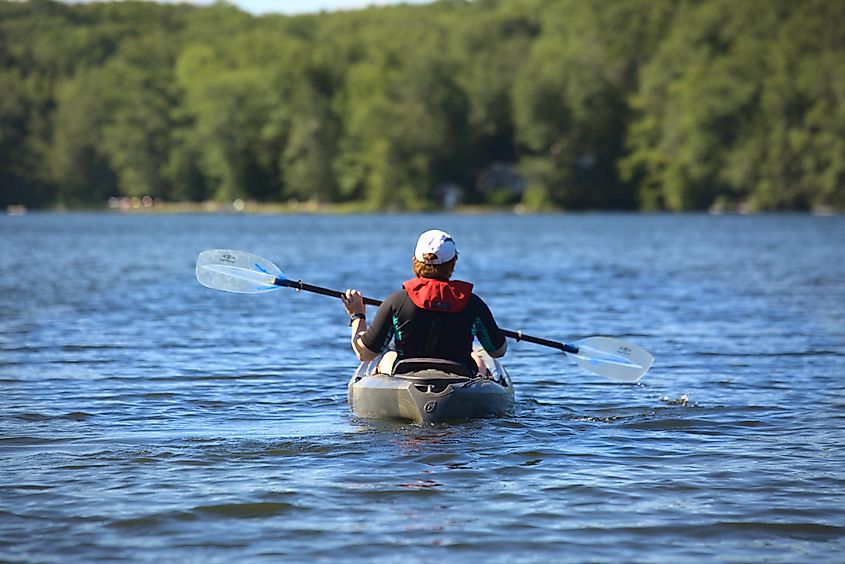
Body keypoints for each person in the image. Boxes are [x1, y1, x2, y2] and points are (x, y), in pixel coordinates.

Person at [342, 229, 507, 375]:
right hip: (459, 373)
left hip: (406, 373)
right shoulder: (472, 303)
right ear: (454, 262)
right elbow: (498, 350)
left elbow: (364, 353)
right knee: (478, 358)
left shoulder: (396, 301)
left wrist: (357, 315)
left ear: (415, 261)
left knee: (386, 356)